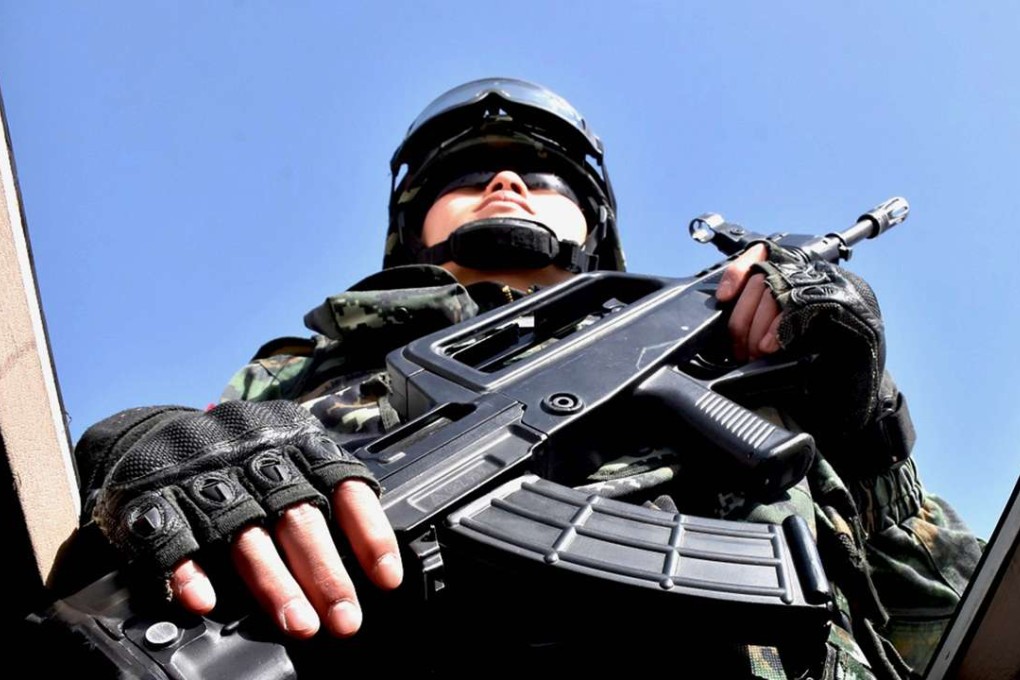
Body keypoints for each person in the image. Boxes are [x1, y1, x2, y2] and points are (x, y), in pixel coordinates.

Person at [74, 78, 981, 678]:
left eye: (544, 177)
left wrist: (866, 423)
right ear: (411, 224)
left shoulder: (745, 370)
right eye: (466, 175)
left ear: (592, 226)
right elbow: (141, 527)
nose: (505, 179)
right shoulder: (300, 372)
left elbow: (946, 618)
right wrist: (144, 449)